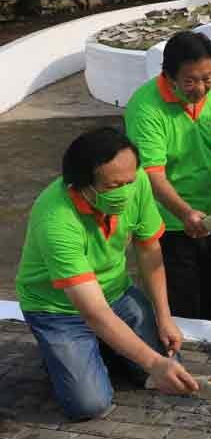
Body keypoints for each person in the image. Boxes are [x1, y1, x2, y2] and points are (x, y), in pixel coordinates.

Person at [15, 128, 199, 420]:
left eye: (129, 180)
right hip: (59, 309)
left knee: (172, 366)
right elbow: (95, 313)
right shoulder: (56, 220)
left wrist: (164, 317)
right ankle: (62, 353)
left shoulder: (136, 183)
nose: (126, 190)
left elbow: (149, 250)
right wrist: (152, 363)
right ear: (82, 185)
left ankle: (104, 346)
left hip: (116, 293)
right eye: (114, 185)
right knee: (89, 404)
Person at [125, 30, 211, 321]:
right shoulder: (146, 109)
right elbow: (153, 176)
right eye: (191, 81)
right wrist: (185, 213)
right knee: (182, 303)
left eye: (207, 78)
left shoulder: (208, 95)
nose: (201, 89)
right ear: (168, 76)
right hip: (171, 220)